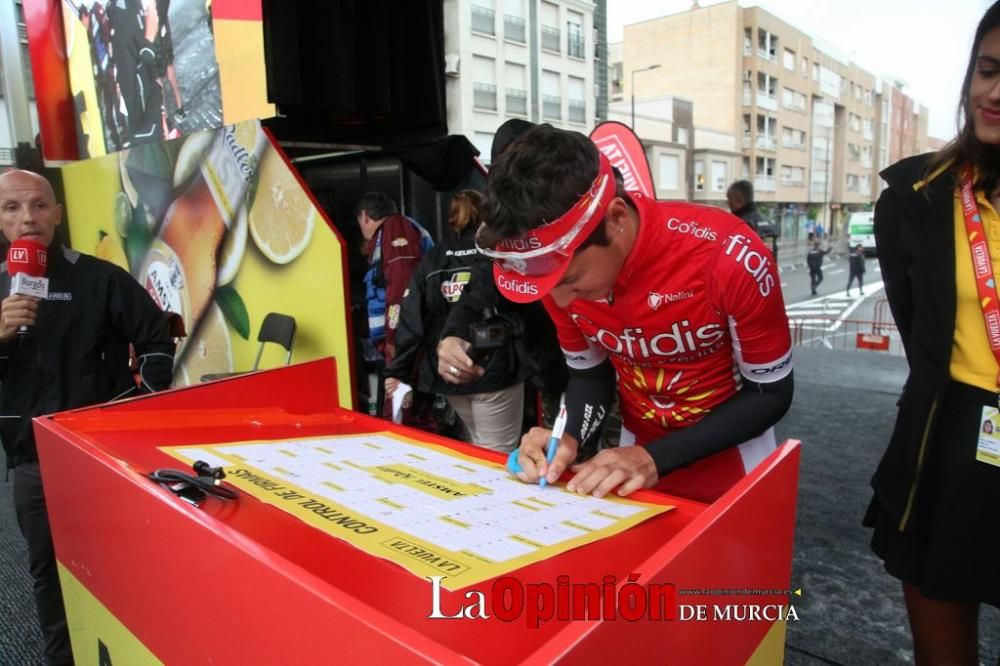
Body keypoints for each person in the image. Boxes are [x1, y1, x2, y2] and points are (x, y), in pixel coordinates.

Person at [440, 125, 794, 503]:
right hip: (632, 454)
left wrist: (654, 457)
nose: (561, 302)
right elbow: (589, 375)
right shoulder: (550, 274)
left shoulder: (729, 256)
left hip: (733, 460)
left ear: (616, 218)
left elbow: (770, 393)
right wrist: (569, 435)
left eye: (573, 280)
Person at [864, 3, 1000, 662]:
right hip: (946, 438)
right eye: (988, 70)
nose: (995, 93)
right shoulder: (918, 196)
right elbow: (919, 323)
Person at [0, 169, 175, 665]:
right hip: (31, 461)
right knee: (48, 574)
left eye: (38, 205)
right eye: (11, 208)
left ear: (57, 213)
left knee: (122, 565)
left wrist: (141, 405)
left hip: (102, 457)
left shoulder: (99, 278)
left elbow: (156, 339)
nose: (27, 218)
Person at [386, 190, 524, 452]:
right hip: (495, 369)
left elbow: (411, 317)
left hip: (449, 370)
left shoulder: (434, 257)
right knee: (497, 453)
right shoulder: (497, 252)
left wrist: (397, 370)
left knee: (475, 445)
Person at [355, 192, 433, 364]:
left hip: (403, 341)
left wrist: (393, 335)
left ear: (365, 217)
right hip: (405, 339)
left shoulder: (395, 229)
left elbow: (400, 286)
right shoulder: (390, 233)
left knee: (404, 390)